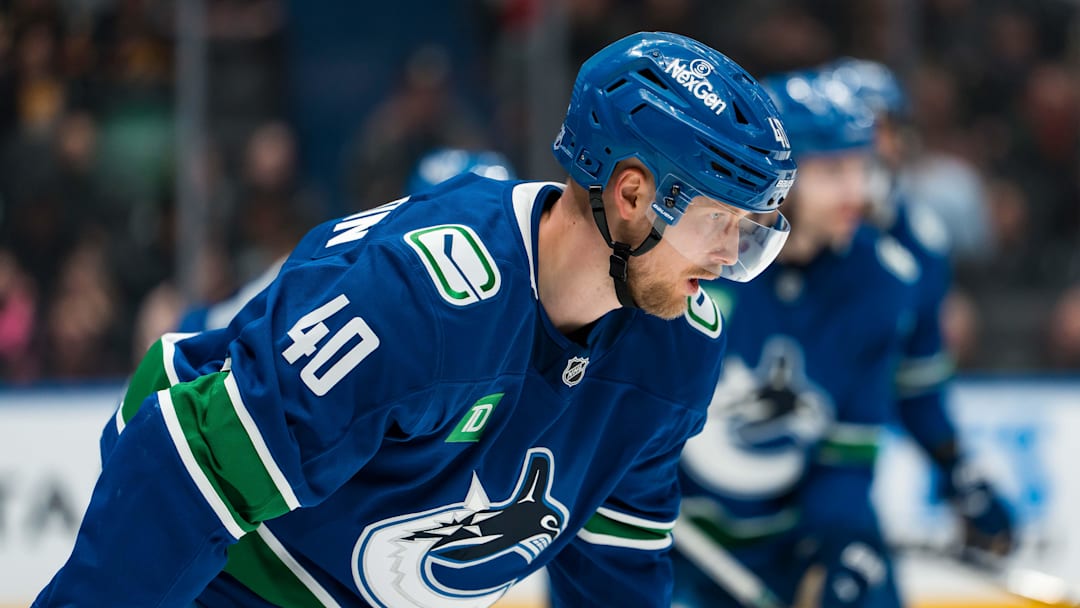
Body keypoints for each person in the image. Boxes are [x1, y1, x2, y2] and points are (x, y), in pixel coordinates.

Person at [34, 31, 797, 608]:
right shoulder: (430, 299)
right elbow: (184, 467)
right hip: (237, 559)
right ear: (632, 195)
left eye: (752, 231)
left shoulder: (678, 349)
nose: (731, 257)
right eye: (721, 221)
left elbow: (615, 567)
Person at [671, 66, 1014, 608]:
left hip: (792, 533)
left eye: (863, 166)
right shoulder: (694, 262)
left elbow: (847, 455)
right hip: (677, 539)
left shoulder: (883, 279)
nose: (859, 190)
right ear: (773, 174)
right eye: (832, 170)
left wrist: (837, 552)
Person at [829, 57, 1015, 562]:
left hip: (832, 471)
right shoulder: (760, 240)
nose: (867, 146)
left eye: (878, 128)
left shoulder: (919, 247)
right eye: (848, 131)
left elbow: (917, 387)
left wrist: (960, 474)